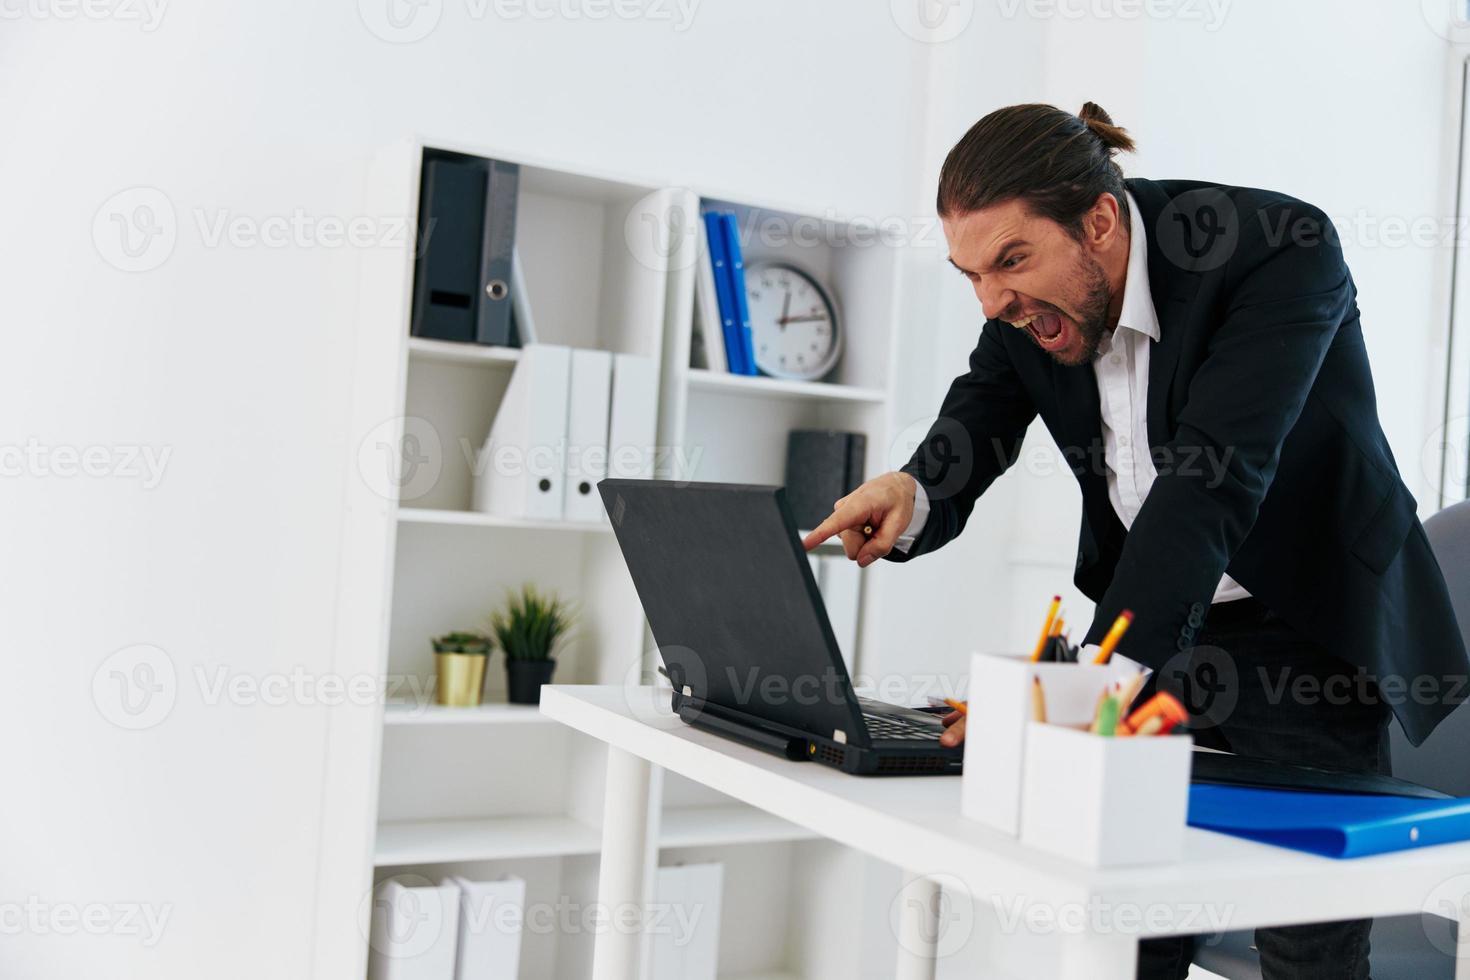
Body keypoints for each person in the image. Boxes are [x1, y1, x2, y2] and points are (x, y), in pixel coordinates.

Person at [802, 102, 1468, 980]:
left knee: (1306, 945)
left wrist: (1086, 691)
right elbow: (983, 409)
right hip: (1157, 620)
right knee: (1128, 924)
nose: (993, 300)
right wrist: (913, 488)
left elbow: (1209, 484)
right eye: (971, 275)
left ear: (1101, 223)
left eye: (1008, 262)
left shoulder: (1278, 249)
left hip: (1304, 630)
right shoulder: (1029, 302)